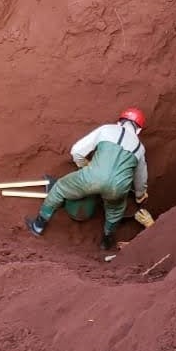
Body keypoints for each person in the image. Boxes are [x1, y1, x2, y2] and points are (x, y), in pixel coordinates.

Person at [24, 107, 150, 250]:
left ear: (119, 122)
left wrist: (85, 165)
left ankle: (38, 225)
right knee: (115, 212)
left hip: (92, 177)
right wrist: (140, 195)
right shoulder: (140, 148)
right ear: (138, 130)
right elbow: (141, 178)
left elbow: (76, 151)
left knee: (59, 188)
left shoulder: (106, 129)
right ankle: (106, 242)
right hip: (119, 187)